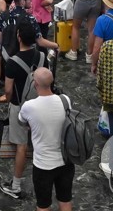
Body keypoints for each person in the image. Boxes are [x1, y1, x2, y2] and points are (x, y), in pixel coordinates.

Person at [0, 22, 46, 200]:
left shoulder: (12, 62)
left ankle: (16, 185)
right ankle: (41, 180)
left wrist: (8, 101)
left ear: (19, 37)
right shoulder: (42, 57)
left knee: (21, 146)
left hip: (20, 107)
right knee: (39, 143)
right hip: (40, 105)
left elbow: (8, 91)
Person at [17, 67, 72, 211]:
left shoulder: (29, 106)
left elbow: (22, 122)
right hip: (66, 161)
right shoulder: (65, 100)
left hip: (43, 165)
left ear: (35, 84)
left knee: (43, 205)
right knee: (65, 201)